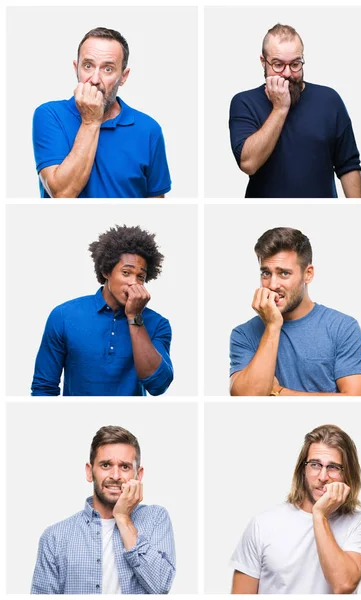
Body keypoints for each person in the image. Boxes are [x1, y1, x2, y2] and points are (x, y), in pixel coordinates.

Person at [231, 424, 361, 593]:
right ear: (303, 469)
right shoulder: (263, 524)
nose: (323, 477)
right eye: (315, 464)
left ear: (347, 474)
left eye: (333, 467)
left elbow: (343, 585)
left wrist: (319, 515)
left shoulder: (359, 523)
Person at [31, 425, 176, 594]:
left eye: (125, 467)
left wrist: (123, 518)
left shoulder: (156, 519)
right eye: (106, 465)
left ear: (139, 474)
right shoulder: (55, 537)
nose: (115, 476)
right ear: (89, 471)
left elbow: (161, 587)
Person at [31, 225, 173, 396]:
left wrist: (134, 316)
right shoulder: (63, 316)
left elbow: (157, 385)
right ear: (106, 271)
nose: (133, 282)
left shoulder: (158, 324)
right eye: (126, 272)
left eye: (140, 276)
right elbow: (43, 388)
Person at [229, 227, 361, 395]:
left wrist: (280, 392)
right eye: (266, 273)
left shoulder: (342, 327)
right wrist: (272, 327)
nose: (272, 285)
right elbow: (246, 400)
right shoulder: (243, 334)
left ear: (308, 274)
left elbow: (355, 401)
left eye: (284, 273)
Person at [33, 27, 171, 198]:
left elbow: (156, 209)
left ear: (123, 76)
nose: (95, 80)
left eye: (108, 69)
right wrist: (91, 121)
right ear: (76, 68)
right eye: (88, 66)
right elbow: (62, 194)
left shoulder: (149, 129)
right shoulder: (49, 115)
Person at [229, 23, 361, 198]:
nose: (287, 73)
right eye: (278, 65)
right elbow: (249, 163)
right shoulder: (244, 102)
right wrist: (280, 108)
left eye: (295, 64)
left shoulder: (330, 100)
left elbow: (349, 166)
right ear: (263, 62)